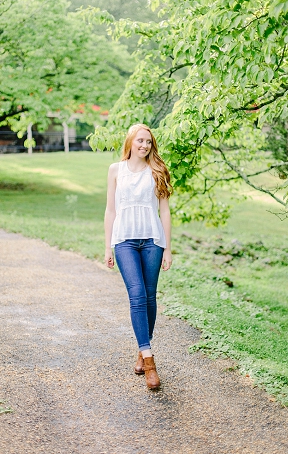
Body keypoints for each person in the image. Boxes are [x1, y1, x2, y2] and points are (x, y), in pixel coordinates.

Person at [104, 123, 173, 390]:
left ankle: (141, 350)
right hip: (124, 241)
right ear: (131, 141)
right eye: (140, 140)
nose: (144, 145)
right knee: (137, 295)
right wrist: (107, 246)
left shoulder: (157, 171)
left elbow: (164, 211)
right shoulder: (115, 170)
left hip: (152, 241)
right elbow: (110, 210)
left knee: (150, 297)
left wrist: (167, 247)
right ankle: (150, 361)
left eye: (148, 142)